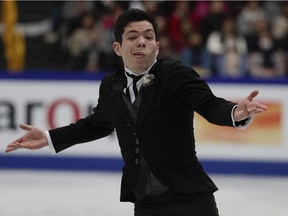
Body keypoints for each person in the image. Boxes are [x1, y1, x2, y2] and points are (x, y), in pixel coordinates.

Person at [5, 9, 268, 216]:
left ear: (157, 45)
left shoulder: (175, 74)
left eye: (148, 36)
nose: (141, 42)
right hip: (146, 201)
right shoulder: (111, 85)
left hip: (190, 198)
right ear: (118, 47)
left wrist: (236, 112)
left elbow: (209, 105)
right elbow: (98, 123)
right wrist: (50, 137)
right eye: (132, 36)